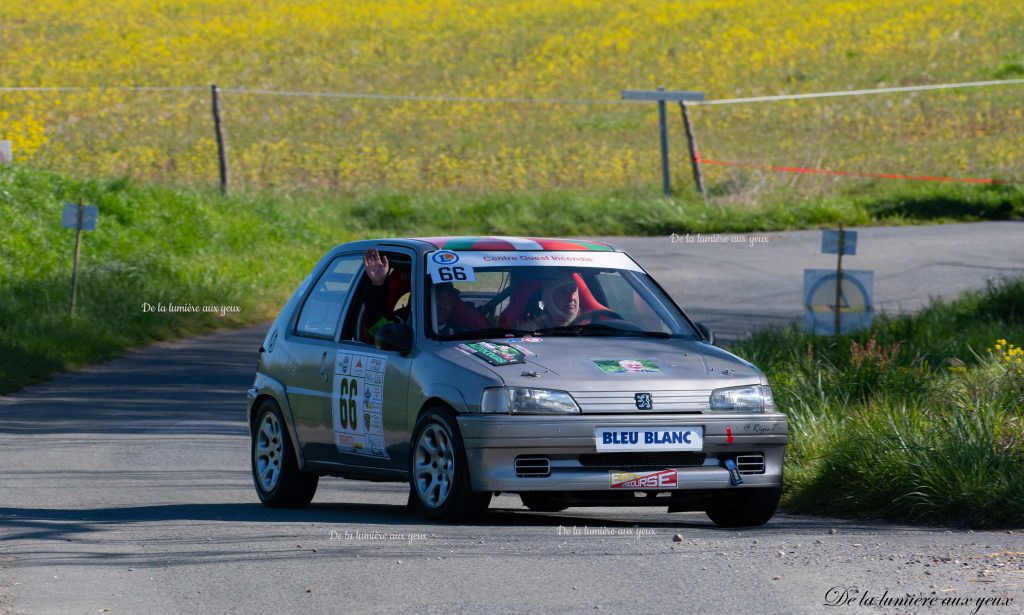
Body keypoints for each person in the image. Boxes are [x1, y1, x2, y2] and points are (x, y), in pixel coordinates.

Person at [362, 247, 483, 340]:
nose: (443, 304)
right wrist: (378, 284)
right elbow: (377, 328)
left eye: (447, 298)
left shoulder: (461, 331)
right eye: (436, 297)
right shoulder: (401, 326)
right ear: (421, 299)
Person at [516, 271, 581, 330]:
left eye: (573, 290)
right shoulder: (529, 329)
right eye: (562, 291)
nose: (571, 297)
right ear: (548, 298)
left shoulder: (587, 324)